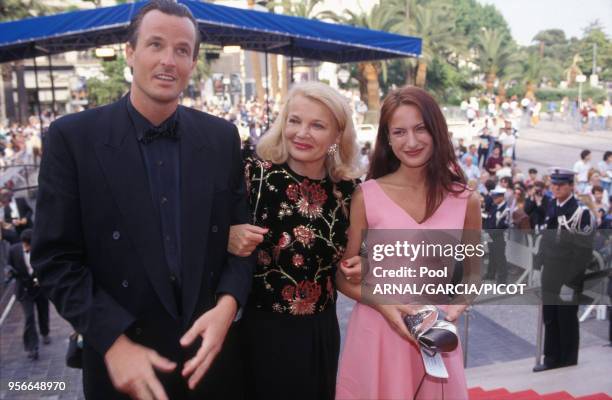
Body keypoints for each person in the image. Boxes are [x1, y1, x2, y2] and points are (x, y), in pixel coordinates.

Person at [31, 1, 254, 399]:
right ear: (130, 52)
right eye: (155, 45)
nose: (169, 60)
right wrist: (112, 340)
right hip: (123, 367)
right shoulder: (73, 139)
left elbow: (242, 239)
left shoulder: (221, 138)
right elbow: (54, 259)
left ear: (193, 62)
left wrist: (226, 308)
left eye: (182, 50)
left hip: (211, 362)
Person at [335, 86, 481, 400]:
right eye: (399, 132)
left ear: (437, 130)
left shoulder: (466, 201)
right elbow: (343, 276)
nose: (411, 142)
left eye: (420, 129)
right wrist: (384, 304)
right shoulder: (367, 195)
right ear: (387, 139)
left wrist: (457, 306)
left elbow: (473, 272)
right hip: (378, 335)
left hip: (436, 336)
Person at [227, 82, 362, 400]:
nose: (302, 132)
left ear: (337, 136)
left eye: (317, 125)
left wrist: (363, 263)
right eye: (295, 120)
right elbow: (200, 229)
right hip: (259, 333)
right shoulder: (253, 175)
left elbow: (354, 261)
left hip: (320, 334)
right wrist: (226, 236)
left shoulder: (349, 192)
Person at [533, 168, 595, 372]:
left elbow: (583, 254)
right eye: (553, 184)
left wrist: (570, 282)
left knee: (566, 318)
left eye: (561, 184)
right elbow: (545, 239)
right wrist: (536, 267)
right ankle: (551, 358)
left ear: (571, 186)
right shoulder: (552, 205)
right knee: (550, 317)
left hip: (568, 274)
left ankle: (567, 361)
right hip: (550, 271)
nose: (556, 187)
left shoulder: (581, 213)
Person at [7, 229, 51, 360]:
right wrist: (9, 272)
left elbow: (48, 266)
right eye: (26, 245)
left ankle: (45, 332)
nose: (28, 247)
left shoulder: (41, 250)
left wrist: (42, 279)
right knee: (29, 317)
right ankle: (32, 347)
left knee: (43, 311)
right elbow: (9, 266)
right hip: (24, 290)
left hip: (39, 289)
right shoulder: (13, 250)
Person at [484, 187, 510, 283]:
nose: (493, 199)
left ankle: (502, 279)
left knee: (500, 258)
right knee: (492, 255)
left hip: (499, 237)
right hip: (491, 235)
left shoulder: (505, 209)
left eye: (495, 197)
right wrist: (487, 231)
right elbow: (489, 219)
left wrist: (491, 233)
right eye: (493, 197)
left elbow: (503, 226)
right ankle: (490, 274)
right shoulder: (494, 207)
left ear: (501, 197)